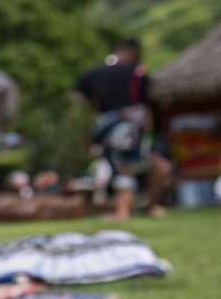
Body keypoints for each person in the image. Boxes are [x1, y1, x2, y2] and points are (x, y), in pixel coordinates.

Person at [73, 37, 171, 220]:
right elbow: (146, 106)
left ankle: (135, 208)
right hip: (130, 127)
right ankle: (126, 211)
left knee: (125, 166)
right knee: (127, 166)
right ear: (131, 54)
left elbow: (77, 99)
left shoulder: (92, 74)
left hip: (106, 127)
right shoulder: (137, 73)